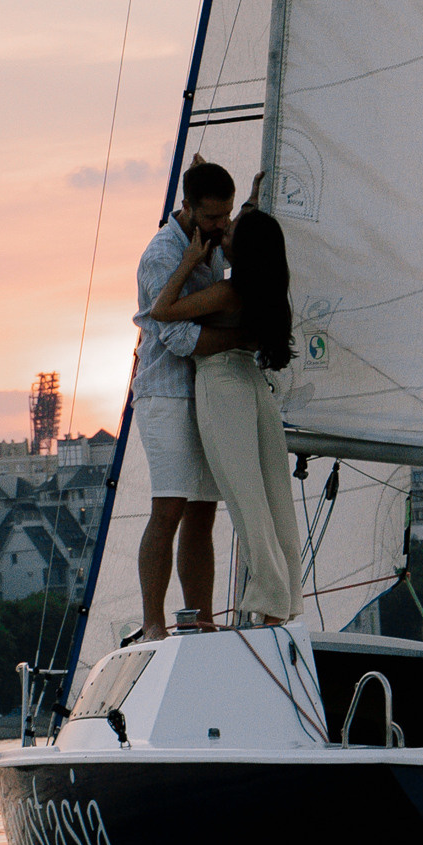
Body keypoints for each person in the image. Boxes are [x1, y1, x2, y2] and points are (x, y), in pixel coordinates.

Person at [147, 194, 300, 622]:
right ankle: (286, 601)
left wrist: (189, 259)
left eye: (230, 230)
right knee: (275, 500)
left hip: (222, 386)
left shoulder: (229, 291)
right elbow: (253, 225)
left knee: (245, 500)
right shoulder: (268, 291)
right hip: (256, 390)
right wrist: (250, 191)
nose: (223, 230)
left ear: (243, 249)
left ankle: (269, 603)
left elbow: (162, 310)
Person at [132, 159, 234, 637]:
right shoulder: (161, 255)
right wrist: (241, 338)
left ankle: (202, 618)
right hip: (165, 392)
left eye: (227, 215)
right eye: (213, 217)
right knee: (168, 507)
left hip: (204, 389)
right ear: (188, 208)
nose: (222, 225)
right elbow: (173, 337)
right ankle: (153, 621)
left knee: (203, 511)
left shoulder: (212, 241)